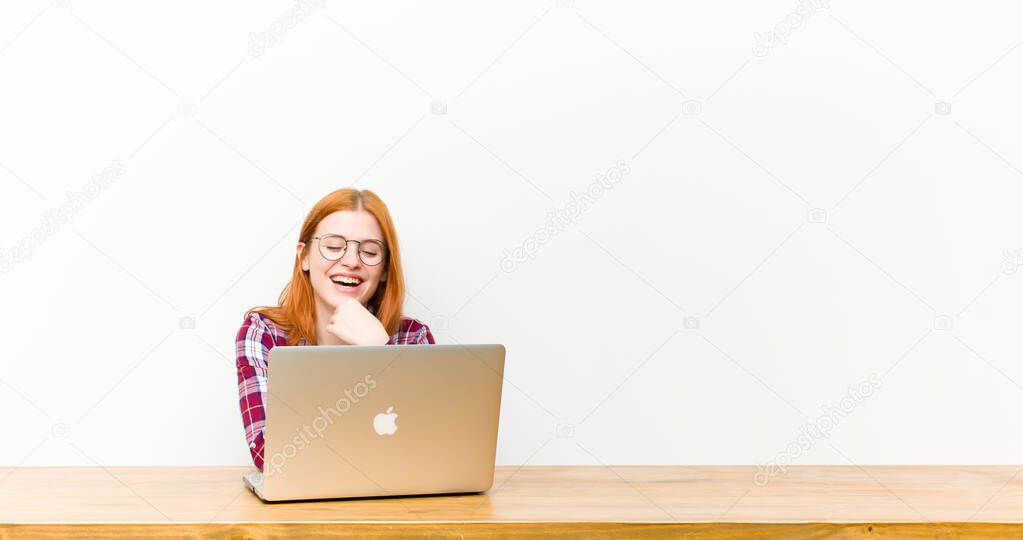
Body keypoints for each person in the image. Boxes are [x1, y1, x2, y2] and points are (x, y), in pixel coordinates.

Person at [235, 188, 435, 470]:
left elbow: (429, 450)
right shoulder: (263, 334)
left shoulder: (413, 338)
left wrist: (381, 352)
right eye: (333, 246)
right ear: (304, 257)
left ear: (385, 270)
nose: (352, 261)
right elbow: (271, 456)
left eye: (369, 251)